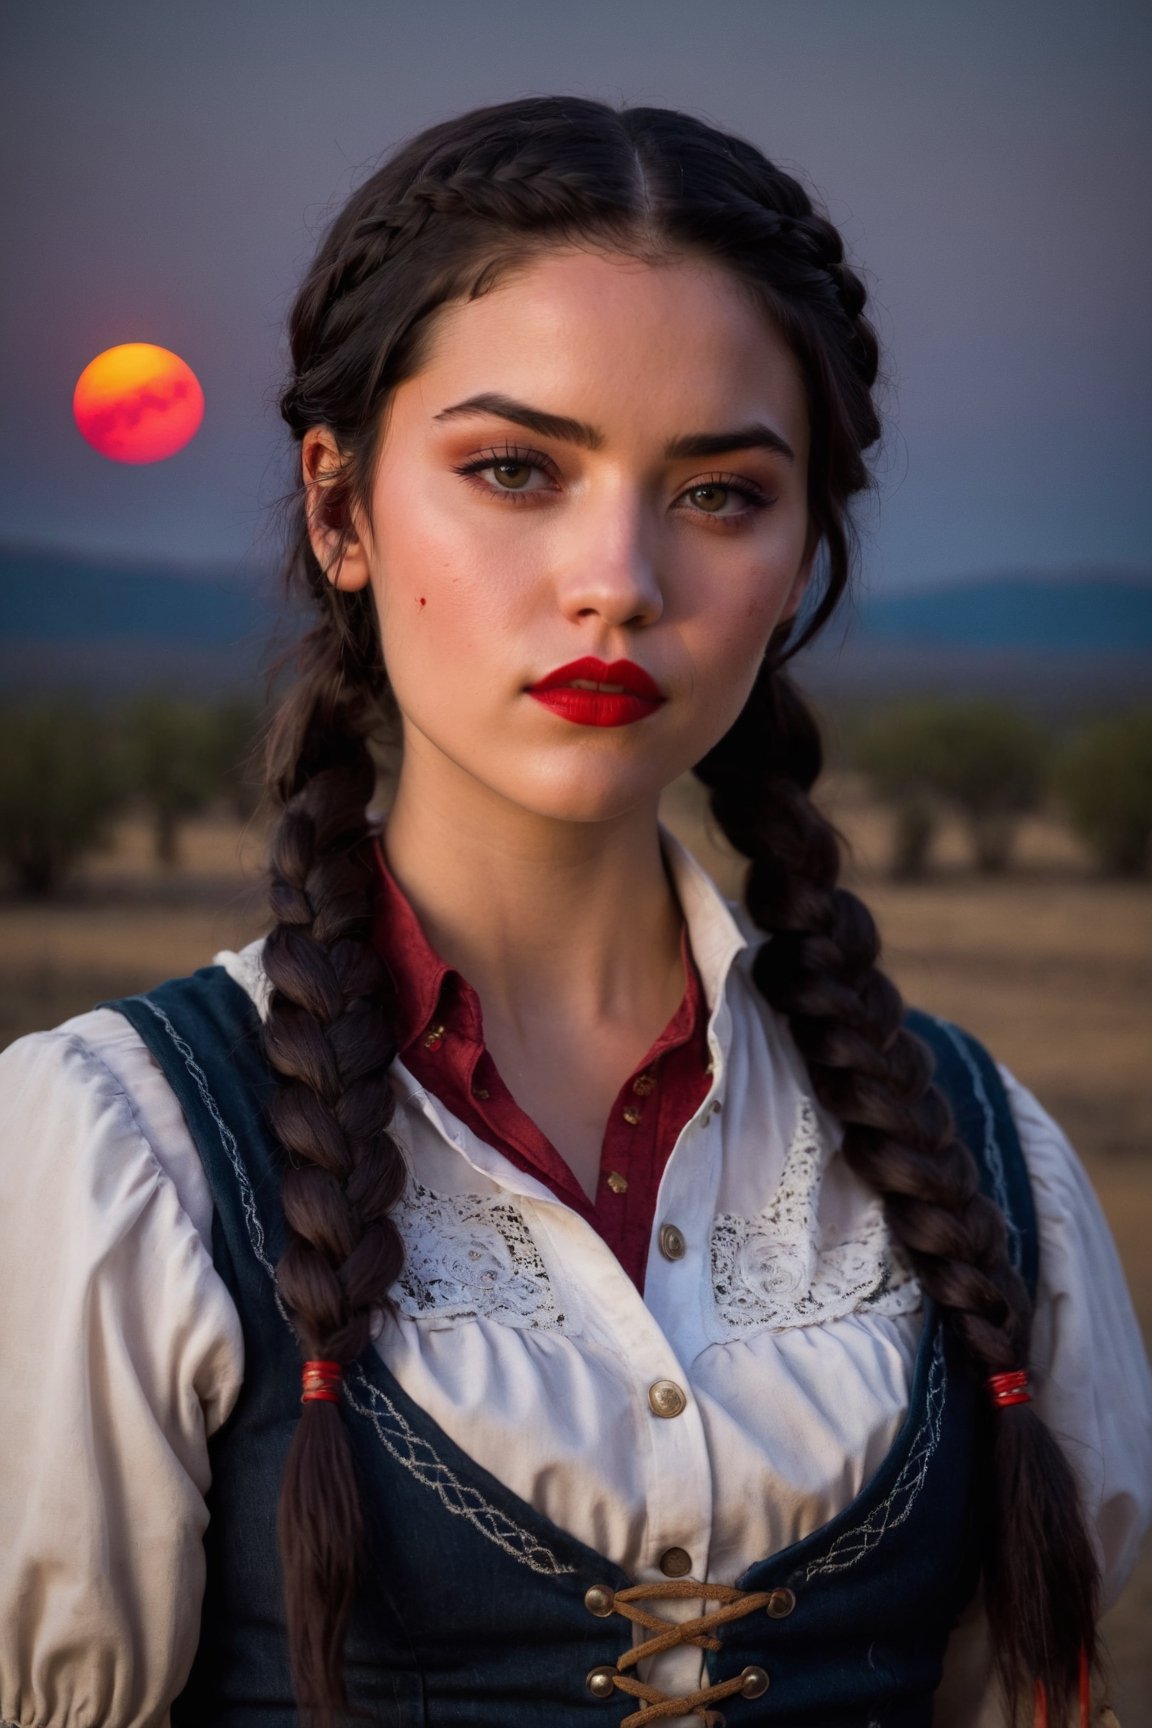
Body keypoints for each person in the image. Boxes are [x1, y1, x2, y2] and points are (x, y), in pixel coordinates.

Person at [0, 95, 1148, 1728]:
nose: (617, 575)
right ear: (339, 507)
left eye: (720, 493)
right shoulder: (128, 1153)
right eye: (516, 468)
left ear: (804, 547)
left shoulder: (976, 1152)